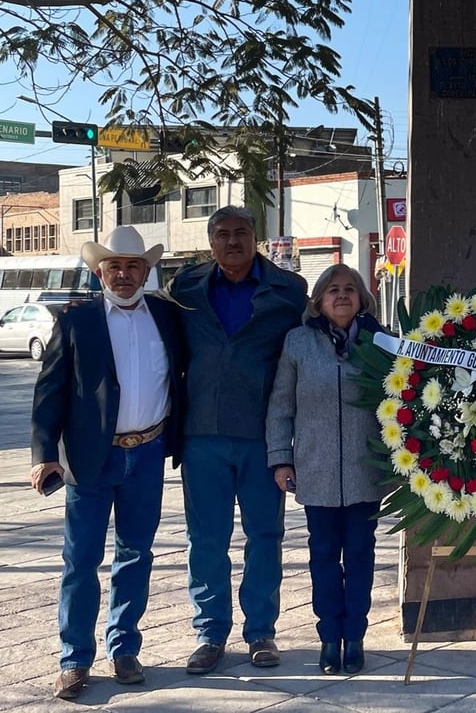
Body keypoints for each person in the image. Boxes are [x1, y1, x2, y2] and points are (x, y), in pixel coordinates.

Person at [30, 227, 186, 701]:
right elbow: (49, 392)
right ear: (100, 272)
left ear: (146, 271)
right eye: (114, 266)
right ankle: (75, 659)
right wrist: (43, 455)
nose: (123, 274)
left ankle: (124, 648)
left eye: (133, 266)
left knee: (136, 555)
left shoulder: (165, 314)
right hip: (90, 459)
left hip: (148, 453)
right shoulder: (77, 321)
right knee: (81, 561)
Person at [168, 205, 308, 675]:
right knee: (205, 539)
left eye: (242, 233)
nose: (232, 241)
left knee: (265, 536)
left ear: (256, 238)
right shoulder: (186, 289)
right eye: (223, 234)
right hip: (201, 435)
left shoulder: (289, 292)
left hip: (262, 436)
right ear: (210, 242)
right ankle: (209, 634)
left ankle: (261, 632)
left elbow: (310, 344)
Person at [266, 265, 385, 676]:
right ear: (318, 300)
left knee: (359, 557)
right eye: (332, 290)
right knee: (322, 559)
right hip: (315, 472)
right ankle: (328, 639)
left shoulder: (379, 343)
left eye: (349, 289)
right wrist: (281, 457)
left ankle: (354, 638)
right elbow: (282, 405)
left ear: (362, 298)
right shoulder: (298, 343)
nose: (341, 296)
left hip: (364, 472)